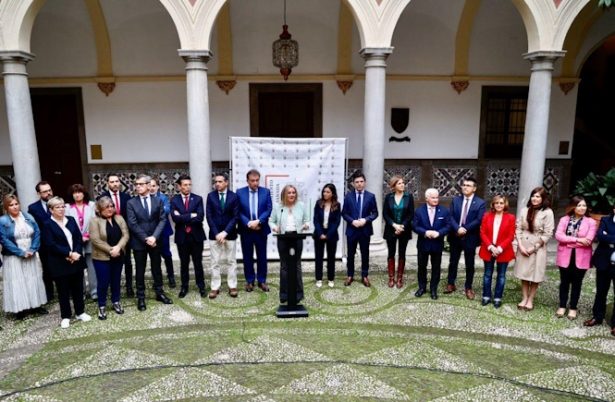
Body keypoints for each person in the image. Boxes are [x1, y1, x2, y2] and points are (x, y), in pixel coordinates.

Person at [42, 196, 91, 328]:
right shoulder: (47, 224)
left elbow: (78, 239)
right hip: (59, 262)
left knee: (78, 288)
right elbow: (50, 244)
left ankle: (80, 311)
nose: (61, 209)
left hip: (75, 260)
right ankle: (65, 316)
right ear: (51, 209)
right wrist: (68, 254)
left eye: (63, 206)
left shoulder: (71, 220)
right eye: (58, 207)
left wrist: (76, 252)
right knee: (63, 290)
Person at [126, 174, 173, 311]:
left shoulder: (158, 201)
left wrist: (154, 237)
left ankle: (159, 293)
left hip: (156, 241)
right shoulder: (131, 203)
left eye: (141, 184)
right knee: (140, 270)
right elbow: (132, 223)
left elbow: (162, 220)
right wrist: (146, 238)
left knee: (156, 268)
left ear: (148, 185)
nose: (138, 187)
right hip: (139, 242)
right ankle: (141, 297)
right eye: (136, 185)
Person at [0, 195, 48, 319]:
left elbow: (37, 232)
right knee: (17, 280)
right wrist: (21, 253)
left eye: (16, 204)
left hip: (30, 251)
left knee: (32, 278)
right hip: (13, 255)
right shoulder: (3, 221)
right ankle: (19, 309)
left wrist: (32, 249)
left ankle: (36, 305)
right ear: (6, 207)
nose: (15, 207)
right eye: (11, 205)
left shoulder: (28, 217)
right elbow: (4, 240)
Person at [554, 196, 597, 320]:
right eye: (579, 205)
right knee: (564, 282)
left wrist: (567, 241)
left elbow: (588, 241)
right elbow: (558, 236)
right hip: (565, 255)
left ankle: (573, 307)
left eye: (584, 205)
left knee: (577, 283)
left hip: (582, 256)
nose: (582, 208)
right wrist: (577, 240)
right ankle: (562, 305)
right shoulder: (564, 220)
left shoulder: (591, 222)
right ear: (573, 207)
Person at [513, 186, 555, 311]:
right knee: (524, 273)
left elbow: (548, 233)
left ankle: (531, 299)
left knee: (535, 274)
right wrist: (519, 244)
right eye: (533, 196)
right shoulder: (525, 210)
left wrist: (535, 247)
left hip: (538, 245)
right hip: (524, 243)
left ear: (543, 198)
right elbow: (518, 227)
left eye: (538, 196)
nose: (534, 199)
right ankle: (524, 297)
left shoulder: (548, 212)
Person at [90, 196, 130, 320]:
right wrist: (111, 250)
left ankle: (116, 302)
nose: (110, 209)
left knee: (116, 280)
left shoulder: (119, 218)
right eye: (107, 207)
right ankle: (101, 306)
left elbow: (126, 234)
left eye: (112, 206)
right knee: (103, 283)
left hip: (119, 255)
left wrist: (118, 247)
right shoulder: (94, 221)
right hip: (102, 258)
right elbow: (95, 240)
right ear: (100, 209)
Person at [445, 177, 485, 300]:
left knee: (469, 264)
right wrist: (457, 228)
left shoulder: (480, 202)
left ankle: (468, 287)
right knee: (453, 262)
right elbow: (450, 216)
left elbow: (479, 220)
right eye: (464, 185)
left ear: (474, 188)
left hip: (470, 237)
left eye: (468, 185)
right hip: (455, 235)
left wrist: (464, 229)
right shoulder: (456, 200)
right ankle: (451, 283)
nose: (465, 187)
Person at [270, 184, 310, 303]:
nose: (292, 195)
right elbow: (271, 221)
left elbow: (307, 219)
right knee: (284, 266)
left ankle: (298, 293)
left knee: (297, 265)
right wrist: (275, 228)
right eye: (289, 192)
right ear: (284, 194)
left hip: (297, 237)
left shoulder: (301, 205)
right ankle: (284, 294)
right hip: (283, 238)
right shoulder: (278, 207)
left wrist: (306, 225)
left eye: (293, 192)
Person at [170, 174, 207, 298]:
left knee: (198, 263)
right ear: (179, 186)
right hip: (182, 237)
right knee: (184, 264)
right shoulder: (174, 200)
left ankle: (201, 286)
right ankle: (184, 287)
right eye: (185, 185)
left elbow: (200, 217)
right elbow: (175, 218)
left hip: (196, 236)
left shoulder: (197, 199)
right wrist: (191, 215)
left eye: (189, 184)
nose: (188, 187)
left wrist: (183, 216)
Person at [97, 174, 134, 297]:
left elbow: (129, 216)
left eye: (117, 181)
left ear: (120, 183)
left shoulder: (126, 197)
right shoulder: (101, 198)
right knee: (110, 263)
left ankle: (129, 287)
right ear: (107, 183)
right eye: (112, 182)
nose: (115, 184)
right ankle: (109, 289)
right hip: (108, 236)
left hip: (125, 235)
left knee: (127, 262)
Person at [237, 169, 273, 292]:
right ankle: (250, 281)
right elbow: (238, 211)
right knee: (247, 257)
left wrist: (258, 222)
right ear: (247, 181)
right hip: (246, 230)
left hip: (261, 229)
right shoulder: (240, 192)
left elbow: (268, 209)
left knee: (262, 256)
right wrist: (248, 223)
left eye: (257, 180)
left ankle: (262, 281)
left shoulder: (266, 192)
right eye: (252, 181)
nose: (255, 183)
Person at [205, 173, 239, 298]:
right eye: (216, 182)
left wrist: (225, 232)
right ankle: (215, 287)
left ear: (226, 182)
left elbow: (235, 216)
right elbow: (209, 216)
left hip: (229, 234)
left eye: (220, 181)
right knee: (215, 262)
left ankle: (232, 286)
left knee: (231, 261)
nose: (217, 184)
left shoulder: (234, 197)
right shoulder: (211, 196)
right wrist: (217, 233)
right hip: (215, 234)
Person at [412, 188, 450, 300]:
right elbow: (414, 225)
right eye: (433, 197)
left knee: (436, 268)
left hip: (437, 245)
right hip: (424, 244)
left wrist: (439, 233)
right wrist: (425, 232)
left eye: (437, 197)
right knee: (422, 267)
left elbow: (448, 226)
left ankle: (433, 289)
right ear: (427, 198)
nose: (435, 199)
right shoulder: (419, 211)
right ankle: (422, 288)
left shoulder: (443, 211)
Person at [478, 195, 516, 308]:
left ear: (505, 205)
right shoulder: (486, 216)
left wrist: (499, 248)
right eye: (497, 203)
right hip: (488, 248)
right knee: (487, 274)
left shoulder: (511, 218)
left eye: (501, 203)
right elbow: (482, 233)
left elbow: (510, 236)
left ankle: (498, 297)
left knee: (501, 275)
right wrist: (490, 247)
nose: (499, 205)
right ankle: (486, 296)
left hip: (503, 250)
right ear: (493, 204)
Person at [342, 172, 378, 287]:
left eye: (361, 182)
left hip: (364, 229)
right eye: (357, 182)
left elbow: (375, 212)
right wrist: (352, 221)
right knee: (350, 254)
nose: (359, 184)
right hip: (352, 229)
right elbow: (344, 213)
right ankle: (350, 275)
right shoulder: (348, 196)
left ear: (365, 182)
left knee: (365, 254)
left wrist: (366, 220)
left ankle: (364, 275)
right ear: (353, 183)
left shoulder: (370, 196)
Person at [585, 202, 615, 336]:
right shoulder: (605, 220)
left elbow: (606, 236)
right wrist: (607, 237)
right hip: (603, 260)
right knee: (601, 291)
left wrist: (609, 237)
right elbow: (601, 236)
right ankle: (597, 316)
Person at [65, 184, 97, 301]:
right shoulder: (67, 207)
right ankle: (80, 293)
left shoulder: (92, 205)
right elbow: (67, 224)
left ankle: (95, 293)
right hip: (75, 242)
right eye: (75, 193)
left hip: (90, 240)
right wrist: (79, 237)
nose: (77, 195)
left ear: (84, 193)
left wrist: (87, 235)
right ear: (72, 195)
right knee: (78, 269)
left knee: (92, 268)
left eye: (80, 192)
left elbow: (95, 221)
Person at [382, 176, 414, 288]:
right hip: (391, 229)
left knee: (402, 253)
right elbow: (385, 214)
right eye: (399, 183)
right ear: (393, 186)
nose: (402, 185)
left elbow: (411, 214)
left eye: (403, 183)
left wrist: (402, 226)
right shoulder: (388, 197)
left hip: (404, 230)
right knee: (391, 253)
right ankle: (391, 278)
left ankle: (399, 278)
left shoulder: (409, 197)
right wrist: (394, 225)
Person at [27, 181, 55, 301]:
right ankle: (49, 294)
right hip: (44, 244)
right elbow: (33, 227)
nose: (48, 193)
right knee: (47, 269)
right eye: (45, 191)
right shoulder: (33, 208)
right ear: (39, 193)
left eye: (49, 190)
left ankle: (67, 290)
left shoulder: (59, 203)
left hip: (60, 241)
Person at [313, 183, 341, 288]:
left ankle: (330, 278)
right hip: (319, 234)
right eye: (324, 191)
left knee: (331, 257)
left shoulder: (337, 205)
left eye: (328, 192)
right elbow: (315, 220)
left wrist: (328, 234)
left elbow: (337, 222)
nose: (325, 193)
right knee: (319, 257)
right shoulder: (318, 203)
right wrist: (320, 233)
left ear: (332, 194)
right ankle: (319, 278)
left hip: (332, 235)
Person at [150, 178, 176, 288]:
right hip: (151, 232)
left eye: (153, 186)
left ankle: (171, 277)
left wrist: (153, 211)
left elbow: (166, 211)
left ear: (157, 187)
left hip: (163, 231)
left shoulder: (163, 197)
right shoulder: (145, 198)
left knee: (166, 255)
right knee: (154, 257)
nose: (151, 188)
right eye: (149, 186)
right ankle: (157, 279)